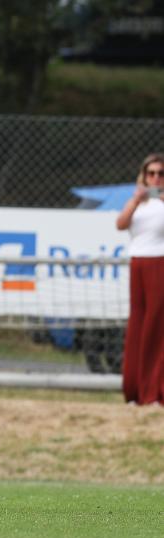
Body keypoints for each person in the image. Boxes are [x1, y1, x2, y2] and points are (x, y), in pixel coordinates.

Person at [116, 153, 164, 405]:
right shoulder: (138, 202)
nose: (156, 179)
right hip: (138, 263)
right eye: (151, 173)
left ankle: (156, 388)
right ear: (144, 176)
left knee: (157, 327)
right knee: (139, 322)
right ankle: (136, 386)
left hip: (160, 262)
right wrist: (136, 200)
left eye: (160, 174)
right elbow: (121, 224)